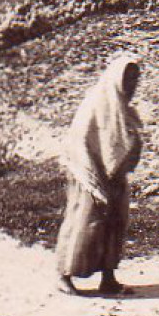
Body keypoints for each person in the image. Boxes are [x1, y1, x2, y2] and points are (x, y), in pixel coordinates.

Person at [56, 54, 143, 297]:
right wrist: (92, 177)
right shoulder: (95, 103)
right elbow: (80, 140)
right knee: (84, 224)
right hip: (88, 173)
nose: (131, 85)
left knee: (114, 224)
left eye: (135, 79)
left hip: (113, 175)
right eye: (128, 79)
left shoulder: (122, 107)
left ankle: (108, 278)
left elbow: (125, 140)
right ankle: (64, 275)